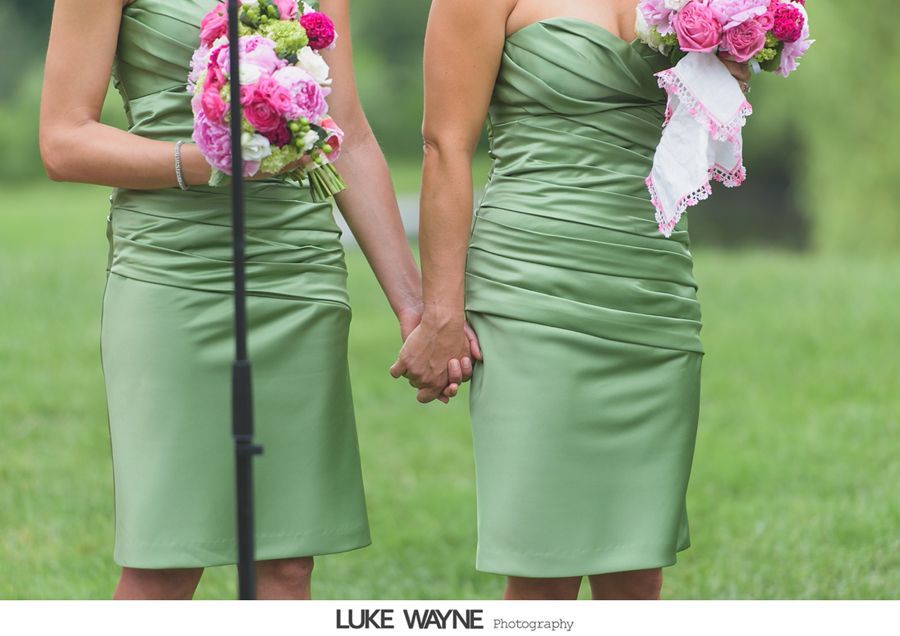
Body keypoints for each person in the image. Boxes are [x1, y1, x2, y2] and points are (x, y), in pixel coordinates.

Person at [39, 0, 425, 600]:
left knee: (287, 560)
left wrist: (413, 305)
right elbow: (63, 141)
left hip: (297, 272)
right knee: (165, 558)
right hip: (173, 267)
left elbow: (349, 133)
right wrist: (209, 161)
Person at [392, 0, 750, 600]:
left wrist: (731, 67)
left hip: (652, 291)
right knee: (542, 570)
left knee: (637, 569)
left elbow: (698, 129)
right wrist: (442, 314)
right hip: (533, 289)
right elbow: (444, 147)